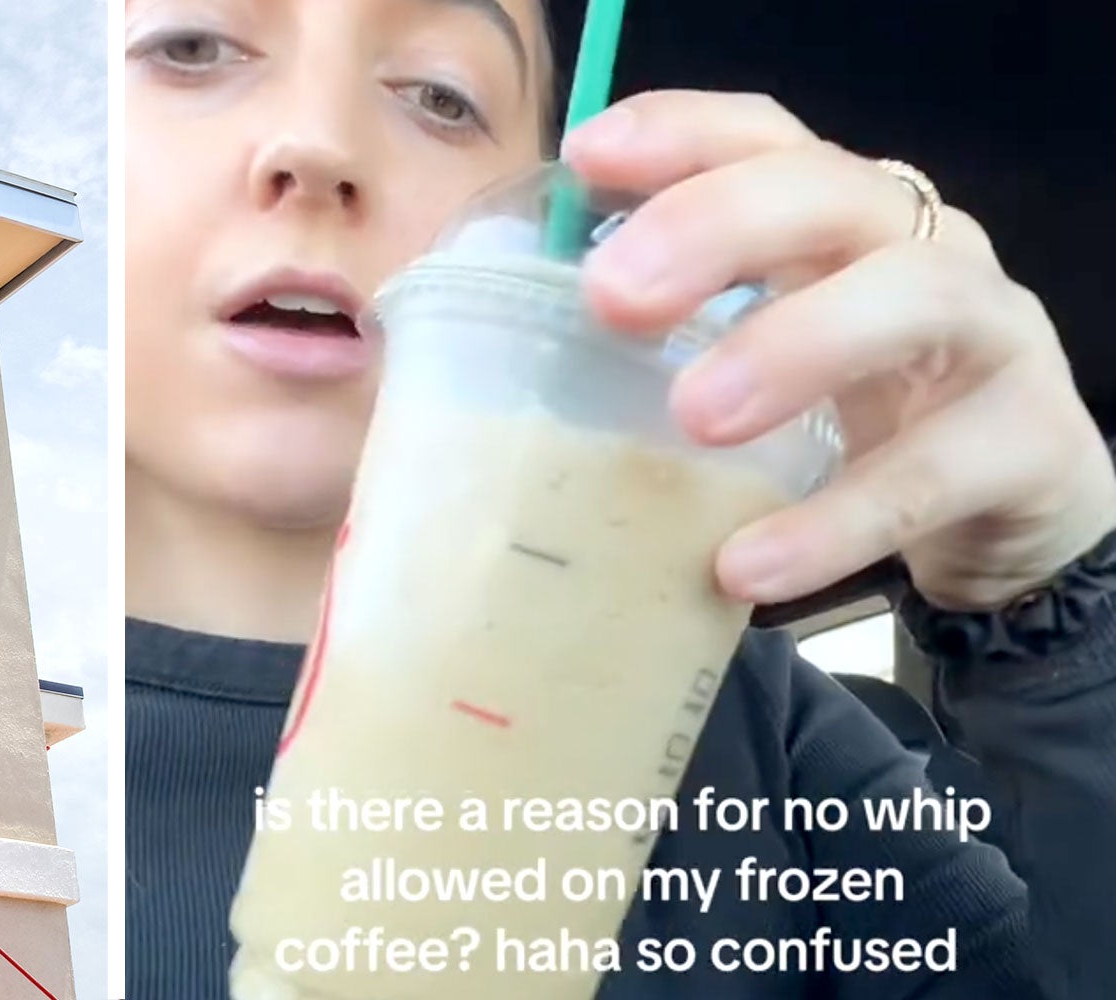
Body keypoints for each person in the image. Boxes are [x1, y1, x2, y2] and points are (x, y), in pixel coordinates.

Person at [122, 1, 1116, 997]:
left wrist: (1055, 620)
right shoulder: (2, 723)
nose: (317, 145)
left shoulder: (769, 746)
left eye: (439, 93)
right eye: (189, 46)